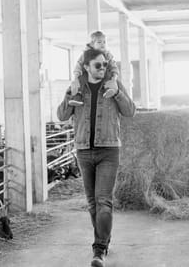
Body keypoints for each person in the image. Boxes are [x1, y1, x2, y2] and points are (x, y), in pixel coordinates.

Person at [57, 48, 136, 267]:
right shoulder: (77, 87)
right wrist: (69, 95)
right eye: (98, 65)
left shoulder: (113, 84)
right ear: (86, 67)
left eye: (105, 65)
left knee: (103, 201)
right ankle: (103, 241)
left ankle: (99, 249)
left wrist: (118, 93)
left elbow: (130, 111)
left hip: (109, 150)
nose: (103, 68)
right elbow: (62, 115)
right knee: (92, 203)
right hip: (84, 151)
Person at [70, 31, 119, 99]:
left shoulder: (107, 55)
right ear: (92, 44)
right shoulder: (86, 54)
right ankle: (78, 96)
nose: (102, 44)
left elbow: (114, 67)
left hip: (104, 77)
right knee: (82, 79)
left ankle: (109, 91)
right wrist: (76, 78)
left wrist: (114, 78)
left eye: (104, 42)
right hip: (87, 76)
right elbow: (78, 66)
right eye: (99, 42)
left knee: (108, 76)